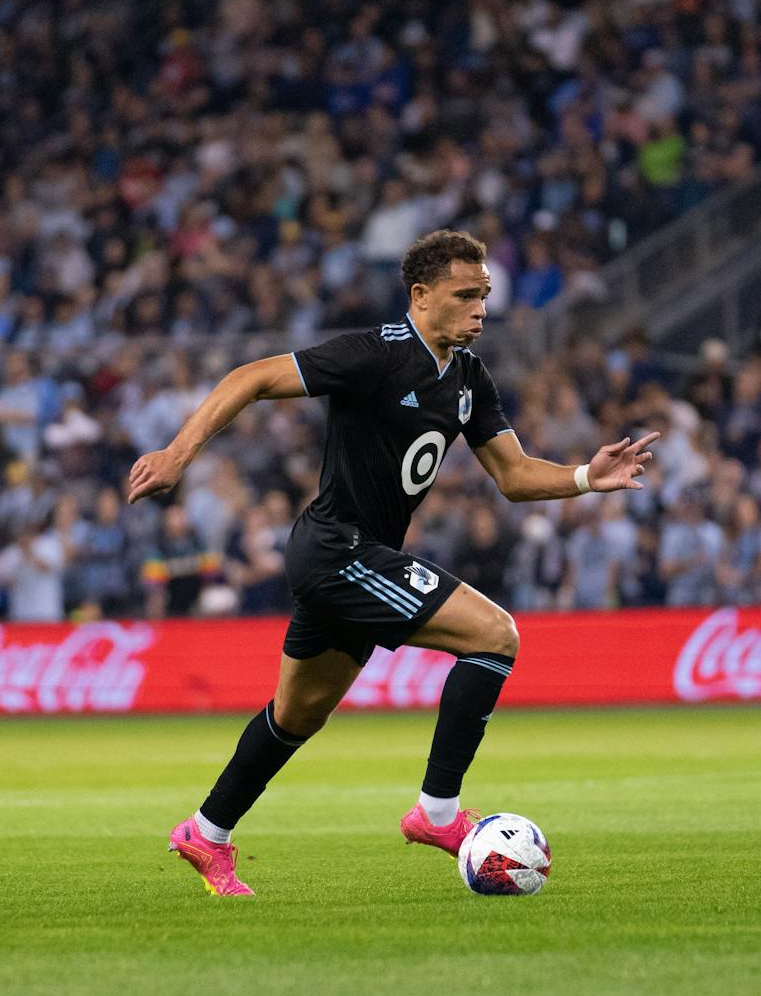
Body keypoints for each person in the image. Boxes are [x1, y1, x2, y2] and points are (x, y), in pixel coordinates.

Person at [129, 229, 657, 895]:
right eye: (465, 295)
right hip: (335, 547)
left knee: (298, 714)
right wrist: (179, 453)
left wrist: (585, 474)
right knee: (495, 635)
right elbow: (252, 377)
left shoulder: (467, 379)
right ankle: (437, 814)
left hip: (355, 557)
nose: (481, 308)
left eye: (485, 295)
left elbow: (516, 476)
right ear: (421, 295)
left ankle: (205, 833)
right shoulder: (375, 353)